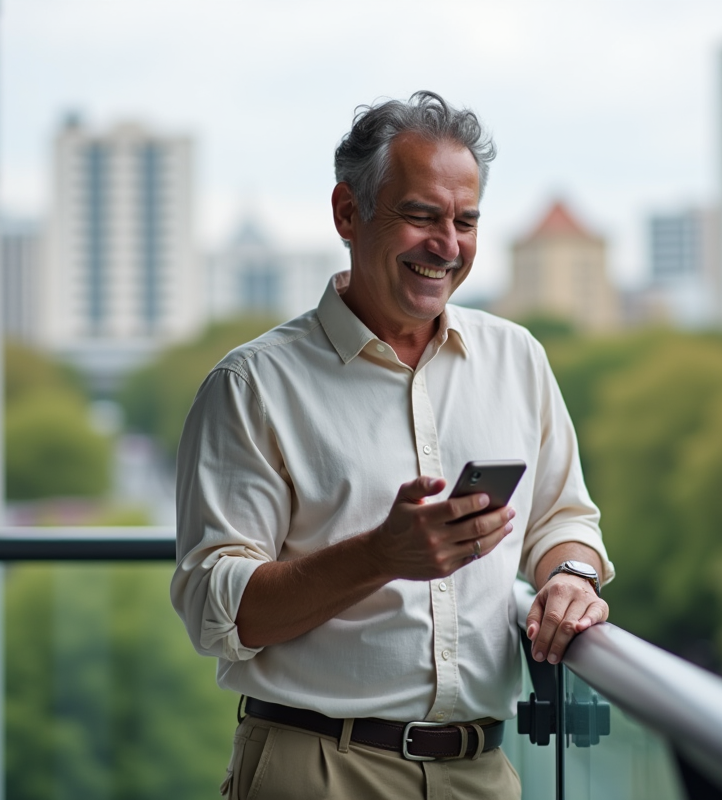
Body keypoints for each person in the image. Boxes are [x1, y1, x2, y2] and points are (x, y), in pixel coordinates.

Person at [171, 91, 614, 800]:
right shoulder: (251, 385)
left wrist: (569, 576)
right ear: (348, 213)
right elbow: (212, 610)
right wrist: (382, 555)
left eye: (465, 221)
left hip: (483, 772)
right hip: (319, 770)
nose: (448, 246)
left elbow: (565, 518)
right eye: (421, 216)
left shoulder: (518, 358)